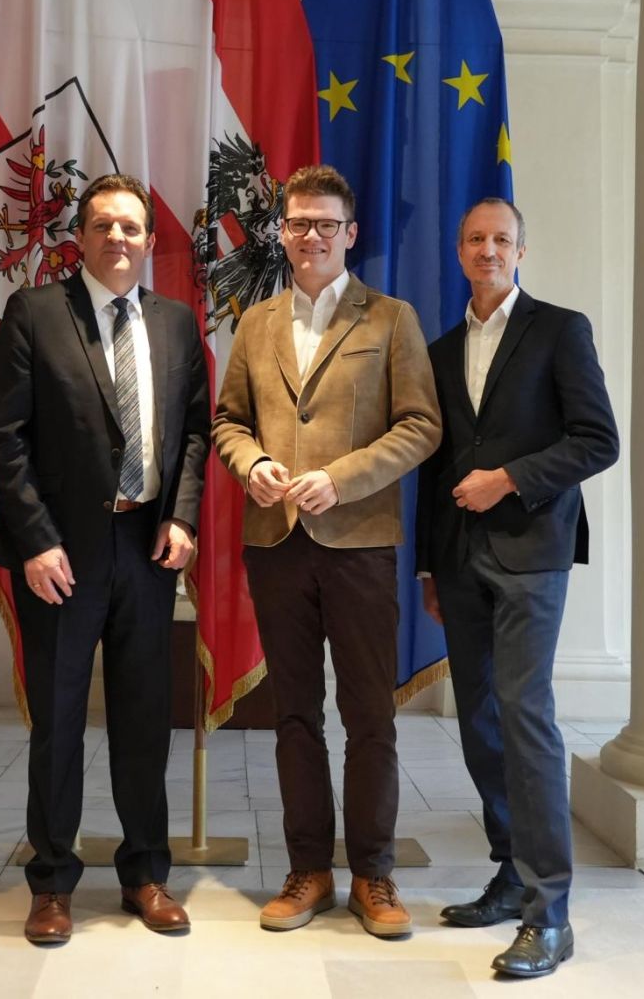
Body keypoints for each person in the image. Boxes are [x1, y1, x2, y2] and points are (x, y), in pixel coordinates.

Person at [212, 164, 441, 938]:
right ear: (281, 231)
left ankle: (373, 875)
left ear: (351, 234)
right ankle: (307, 869)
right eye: (299, 223)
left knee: (369, 714)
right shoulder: (255, 323)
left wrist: (341, 480)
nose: (312, 236)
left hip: (360, 545)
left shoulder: (392, 319)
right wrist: (251, 463)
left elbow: (421, 425)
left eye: (326, 225)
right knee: (295, 716)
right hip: (276, 543)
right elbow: (229, 421)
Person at [0, 173, 209, 945]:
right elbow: (4, 436)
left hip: (147, 549)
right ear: (79, 236)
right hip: (60, 553)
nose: (118, 237)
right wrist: (35, 539)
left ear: (150, 241)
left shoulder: (177, 323)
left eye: (131, 227)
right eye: (104, 224)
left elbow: (196, 432)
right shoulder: (35, 312)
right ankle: (51, 882)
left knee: (144, 718)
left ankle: (145, 874)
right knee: (58, 719)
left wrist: (183, 517)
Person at [416, 198, 619, 978]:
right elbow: (436, 468)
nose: (488, 250)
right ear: (459, 252)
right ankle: (509, 872)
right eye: (475, 239)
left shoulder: (560, 330)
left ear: (521, 251)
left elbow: (597, 440)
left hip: (533, 553)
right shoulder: (440, 350)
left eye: (502, 239)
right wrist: (430, 566)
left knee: (525, 716)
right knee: (479, 720)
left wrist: (508, 479)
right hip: (460, 563)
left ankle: (550, 913)